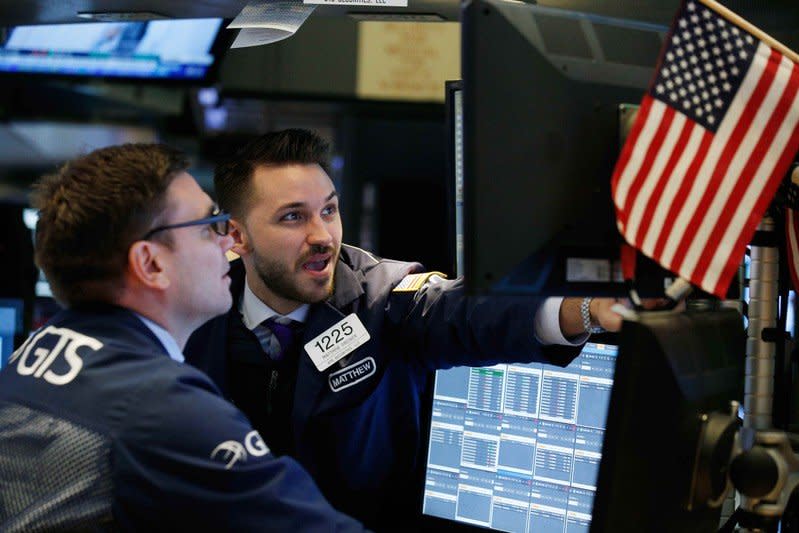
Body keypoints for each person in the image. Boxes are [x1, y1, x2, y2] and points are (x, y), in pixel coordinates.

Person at [184, 129, 625, 530]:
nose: (323, 236)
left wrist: (584, 307)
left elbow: (467, 313)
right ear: (236, 237)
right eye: (293, 217)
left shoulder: (382, 297)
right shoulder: (195, 310)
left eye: (329, 210)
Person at [0, 143, 367, 532]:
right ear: (151, 263)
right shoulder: (161, 407)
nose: (228, 242)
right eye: (209, 225)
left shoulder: (33, 354)